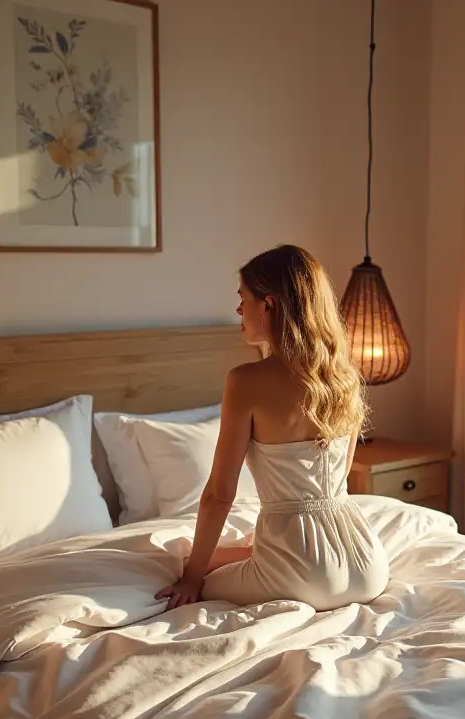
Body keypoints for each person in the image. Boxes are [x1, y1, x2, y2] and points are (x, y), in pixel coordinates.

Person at [155, 244, 389, 612]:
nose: (238, 310)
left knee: (187, 565)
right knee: (235, 554)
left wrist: (191, 577)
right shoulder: (342, 374)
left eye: (242, 298)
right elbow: (338, 479)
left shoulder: (245, 381)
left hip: (303, 574)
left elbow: (218, 495)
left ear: (268, 305)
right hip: (368, 564)